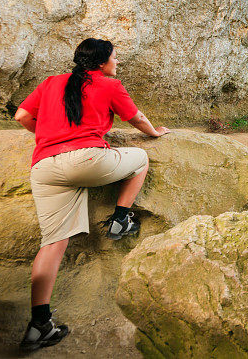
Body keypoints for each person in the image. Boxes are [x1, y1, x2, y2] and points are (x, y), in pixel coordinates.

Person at [13, 38, 169, 352]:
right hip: (86, 161)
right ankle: (121, 218)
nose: (117, 63)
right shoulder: (110, 85)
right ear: (101, 63)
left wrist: (48, 136)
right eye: (114, 58)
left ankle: (38, 324)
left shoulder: (51, 82)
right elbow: (136, 119)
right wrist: (156, 133)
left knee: (52, 244)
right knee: (140, 159)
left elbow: (21, 116)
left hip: (44, 167)